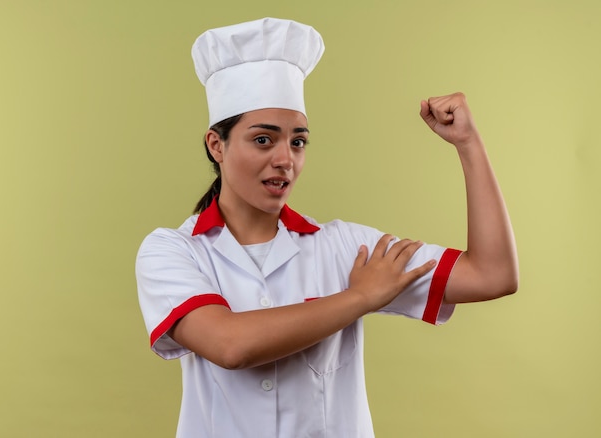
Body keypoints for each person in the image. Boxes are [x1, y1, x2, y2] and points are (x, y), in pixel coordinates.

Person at [136, 17, 518, 438]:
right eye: (263, 139)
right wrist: (360, 297)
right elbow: (231, 345)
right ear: (216, 144)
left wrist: (468, 144)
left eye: (298, 141)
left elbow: (492, 274)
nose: (286, 159)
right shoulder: (172, 251)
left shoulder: (344, 246)